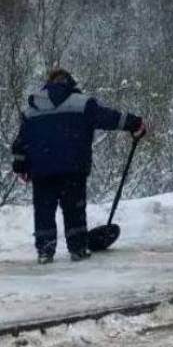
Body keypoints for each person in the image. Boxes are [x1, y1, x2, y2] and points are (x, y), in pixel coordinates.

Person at [10, 67, 146, 264]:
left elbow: (21, 142)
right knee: (74, 210)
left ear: (48, 83)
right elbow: (110, 118)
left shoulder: (33, 108)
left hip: (42, 170)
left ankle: (45, 251)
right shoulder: (82, 104)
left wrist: (20, 166)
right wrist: (135, 123)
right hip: (72, 168)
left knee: (43, 211)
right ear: (70, 83)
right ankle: (78, 248)